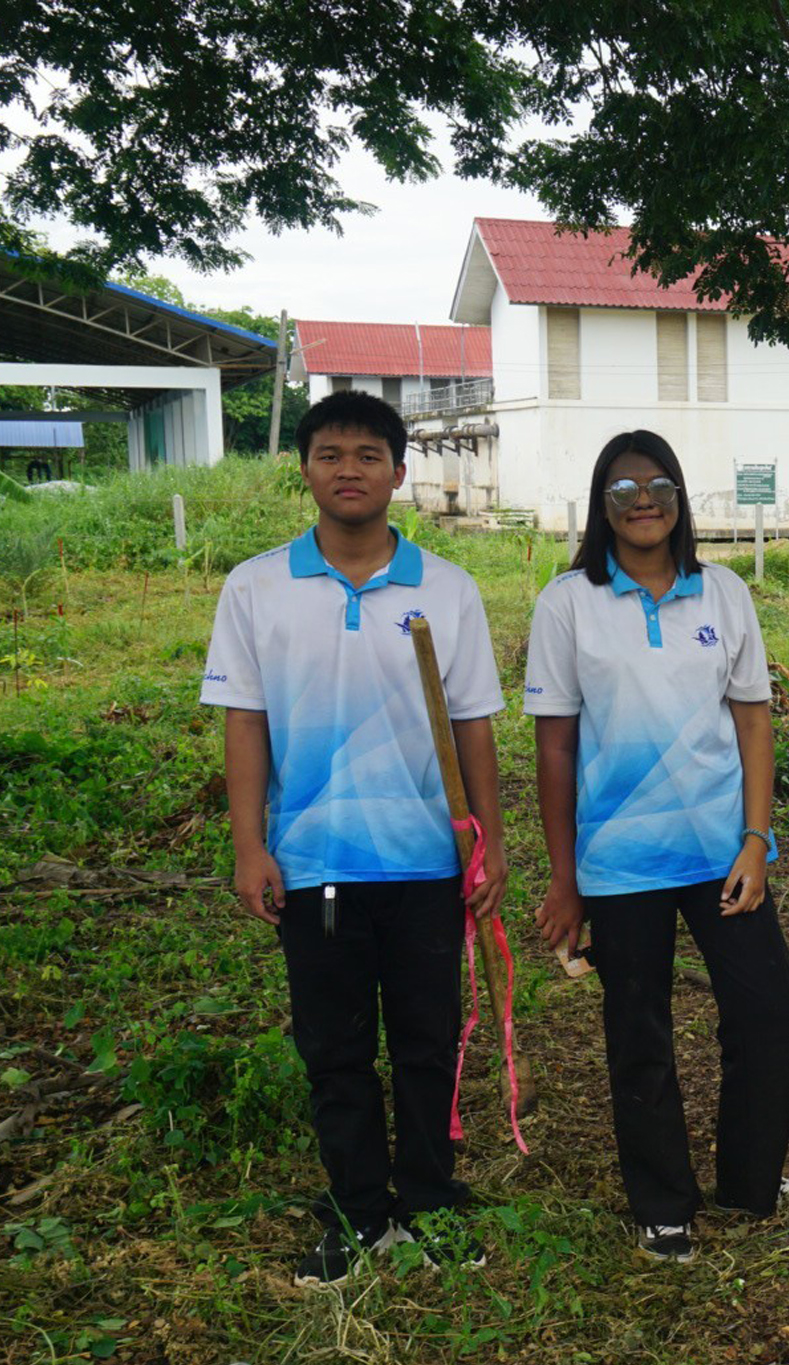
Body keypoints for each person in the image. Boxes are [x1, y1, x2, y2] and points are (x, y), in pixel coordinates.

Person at [201, 390, 507, 1286]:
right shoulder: (256, 585)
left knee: (426, 1040)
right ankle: (355, 1212)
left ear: (398, 473)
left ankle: (429, 1204)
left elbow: (476, 726)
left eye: (368, 455)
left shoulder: (447, 588)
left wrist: (487, 843)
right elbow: (245, 723)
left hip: (422, 864)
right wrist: (249, 846)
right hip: (315, 863)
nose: (348, 469)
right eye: (330, 452)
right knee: (335, 1049)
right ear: (304, 468)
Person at [524, 431, 789, 1265]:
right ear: (601, 504)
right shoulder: (567, 601)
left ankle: (749, 1183)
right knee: (637, 1028)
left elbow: (754, 721)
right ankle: (662, 1202)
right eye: (623, 487)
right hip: (620, 862)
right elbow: (555, 748)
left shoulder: (723, 595)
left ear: (681, 498)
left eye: (659, 484)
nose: (642, 500)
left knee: (766, 1008)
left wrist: (756, 840)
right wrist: (565, 879)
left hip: (721, 852)